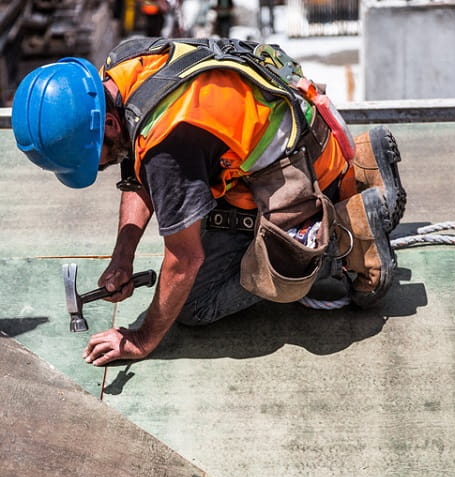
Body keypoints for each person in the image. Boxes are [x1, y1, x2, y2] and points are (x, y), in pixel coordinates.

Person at [11, 37, 406, 366]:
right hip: (305, 140)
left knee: (195, 305)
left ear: (109, 124)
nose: (97, 169)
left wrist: (142, 339)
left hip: (301, 179)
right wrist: (123, 256)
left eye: (91, 159)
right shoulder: (124, 67)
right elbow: (136, 169)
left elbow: (185, 259)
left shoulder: (169, 144)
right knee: (190, 215)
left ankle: (344, 235)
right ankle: (363, 168)